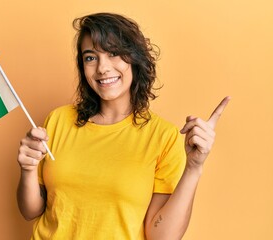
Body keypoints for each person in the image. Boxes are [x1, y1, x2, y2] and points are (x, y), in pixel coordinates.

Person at [17, 12, 230, 240]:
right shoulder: (58, 120)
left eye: (114, 53)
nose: (102, 68)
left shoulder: (162, 136)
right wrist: (27, 169)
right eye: (91, 57)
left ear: (134, 58)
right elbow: (30, 210)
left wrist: (194, 168)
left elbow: (161, 236)